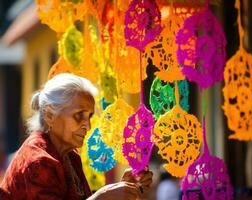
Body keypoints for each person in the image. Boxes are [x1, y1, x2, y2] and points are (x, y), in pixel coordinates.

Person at [0, 73, 153, 200]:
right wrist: (102, 197)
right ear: (49, 115)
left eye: (89, 116)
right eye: (79, 116)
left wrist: (123, 188)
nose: (88, 126)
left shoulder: (70, 156)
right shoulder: (39, 161)